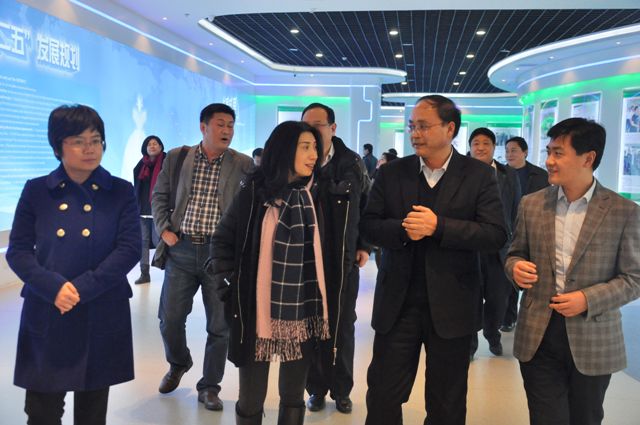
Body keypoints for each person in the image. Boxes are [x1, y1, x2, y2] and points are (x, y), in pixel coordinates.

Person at [360, 95, 507, 425]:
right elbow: (368, 225)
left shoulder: (478, 175)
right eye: (412, 126)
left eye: (424, 126)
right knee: (383, 393)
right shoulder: (392, 173)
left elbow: (495, 234)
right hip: (398, 305)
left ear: (450, 128)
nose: (415, 134)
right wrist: (403, 229)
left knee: (446, 402)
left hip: (453, 306)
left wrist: (439, 227)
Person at [6, 104, 141, 424]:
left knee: (92, 411)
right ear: (58, 146)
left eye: (96, 140)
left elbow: (129, 248)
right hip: (49, 307)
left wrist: (81, 288)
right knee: (42, 410)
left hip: (100, 306)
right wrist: (54, 288)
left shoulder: (120, 191)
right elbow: (18, 251)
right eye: (78, 141)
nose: (89, 149)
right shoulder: (37, 190)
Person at [506, 117, 640, 425]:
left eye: (558, 153)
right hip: (538, 334)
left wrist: (587, 299)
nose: (549, 161)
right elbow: (515, 254)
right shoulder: (531, 204)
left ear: (588, 158)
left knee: (585, 417)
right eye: (548, 152)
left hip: (593, 336)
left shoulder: (623, 211)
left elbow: (634, 278)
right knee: (546, 418)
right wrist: (515, 268)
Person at [209, 121, 327, 425]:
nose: (314, 155)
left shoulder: (318, 194)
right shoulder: (253, 194)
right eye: (305, 147)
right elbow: (222, 240)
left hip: (303, 309)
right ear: (284, 151)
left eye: (315, 147)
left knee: (293, 394)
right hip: (256, 310)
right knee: (251, 396)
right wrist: (229, 285)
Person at [151, 103, 253, 411]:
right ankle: (179, 362)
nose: (227, 131)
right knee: (170, 319)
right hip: (181, 249)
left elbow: (251, 206)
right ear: (203, 127)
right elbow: (159, 196)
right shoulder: (177, 157)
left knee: (220, 326)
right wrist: (164, 229)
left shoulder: (243, 164)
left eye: (230, 125)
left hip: (219, 255)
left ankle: (210, 386)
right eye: (220, 124)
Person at [302, 103, 370, 414]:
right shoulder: (299, 159)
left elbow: (367, 205)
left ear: (333, 127)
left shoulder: (352, 162)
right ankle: (315, 389)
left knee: (343, 325)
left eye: (318, 125)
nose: (313, 131)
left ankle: (342, 390)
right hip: (306, 257)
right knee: (312, 324)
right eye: (307, 125)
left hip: (343, 257)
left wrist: (364, 244)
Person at [468, 127, 521, 358]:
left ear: (493, 147)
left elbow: (516, 210)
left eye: (486, 143)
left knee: (498, 298)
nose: (480, 147)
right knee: (469, 298)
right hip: (469, 246)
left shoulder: (508, 175)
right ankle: (470, 344)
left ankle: (492, 334)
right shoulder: (460, 172)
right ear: (470, 147)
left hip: (500, 247)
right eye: (476, 143)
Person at [502, 136, 549, 331]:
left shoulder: (540, 175)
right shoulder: (501, 173)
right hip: (508, 230)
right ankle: (509, 317)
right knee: (511, 272)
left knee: (531, 274)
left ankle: (533, 316)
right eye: (507, 151)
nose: (509, 154)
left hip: (533, 230)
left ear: (525, 152)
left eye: (514, 150)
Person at [132, 135, 166, 284]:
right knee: (143, 242)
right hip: (143, 211)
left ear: (160, 146)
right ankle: (144, 273)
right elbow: (137, 188)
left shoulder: (166, 163)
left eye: (155, 143)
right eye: (149, 144)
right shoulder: (141, 165)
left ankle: (170, 272)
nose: (152, 146)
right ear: (145, 148)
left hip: (160, 211)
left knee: (159, 241)